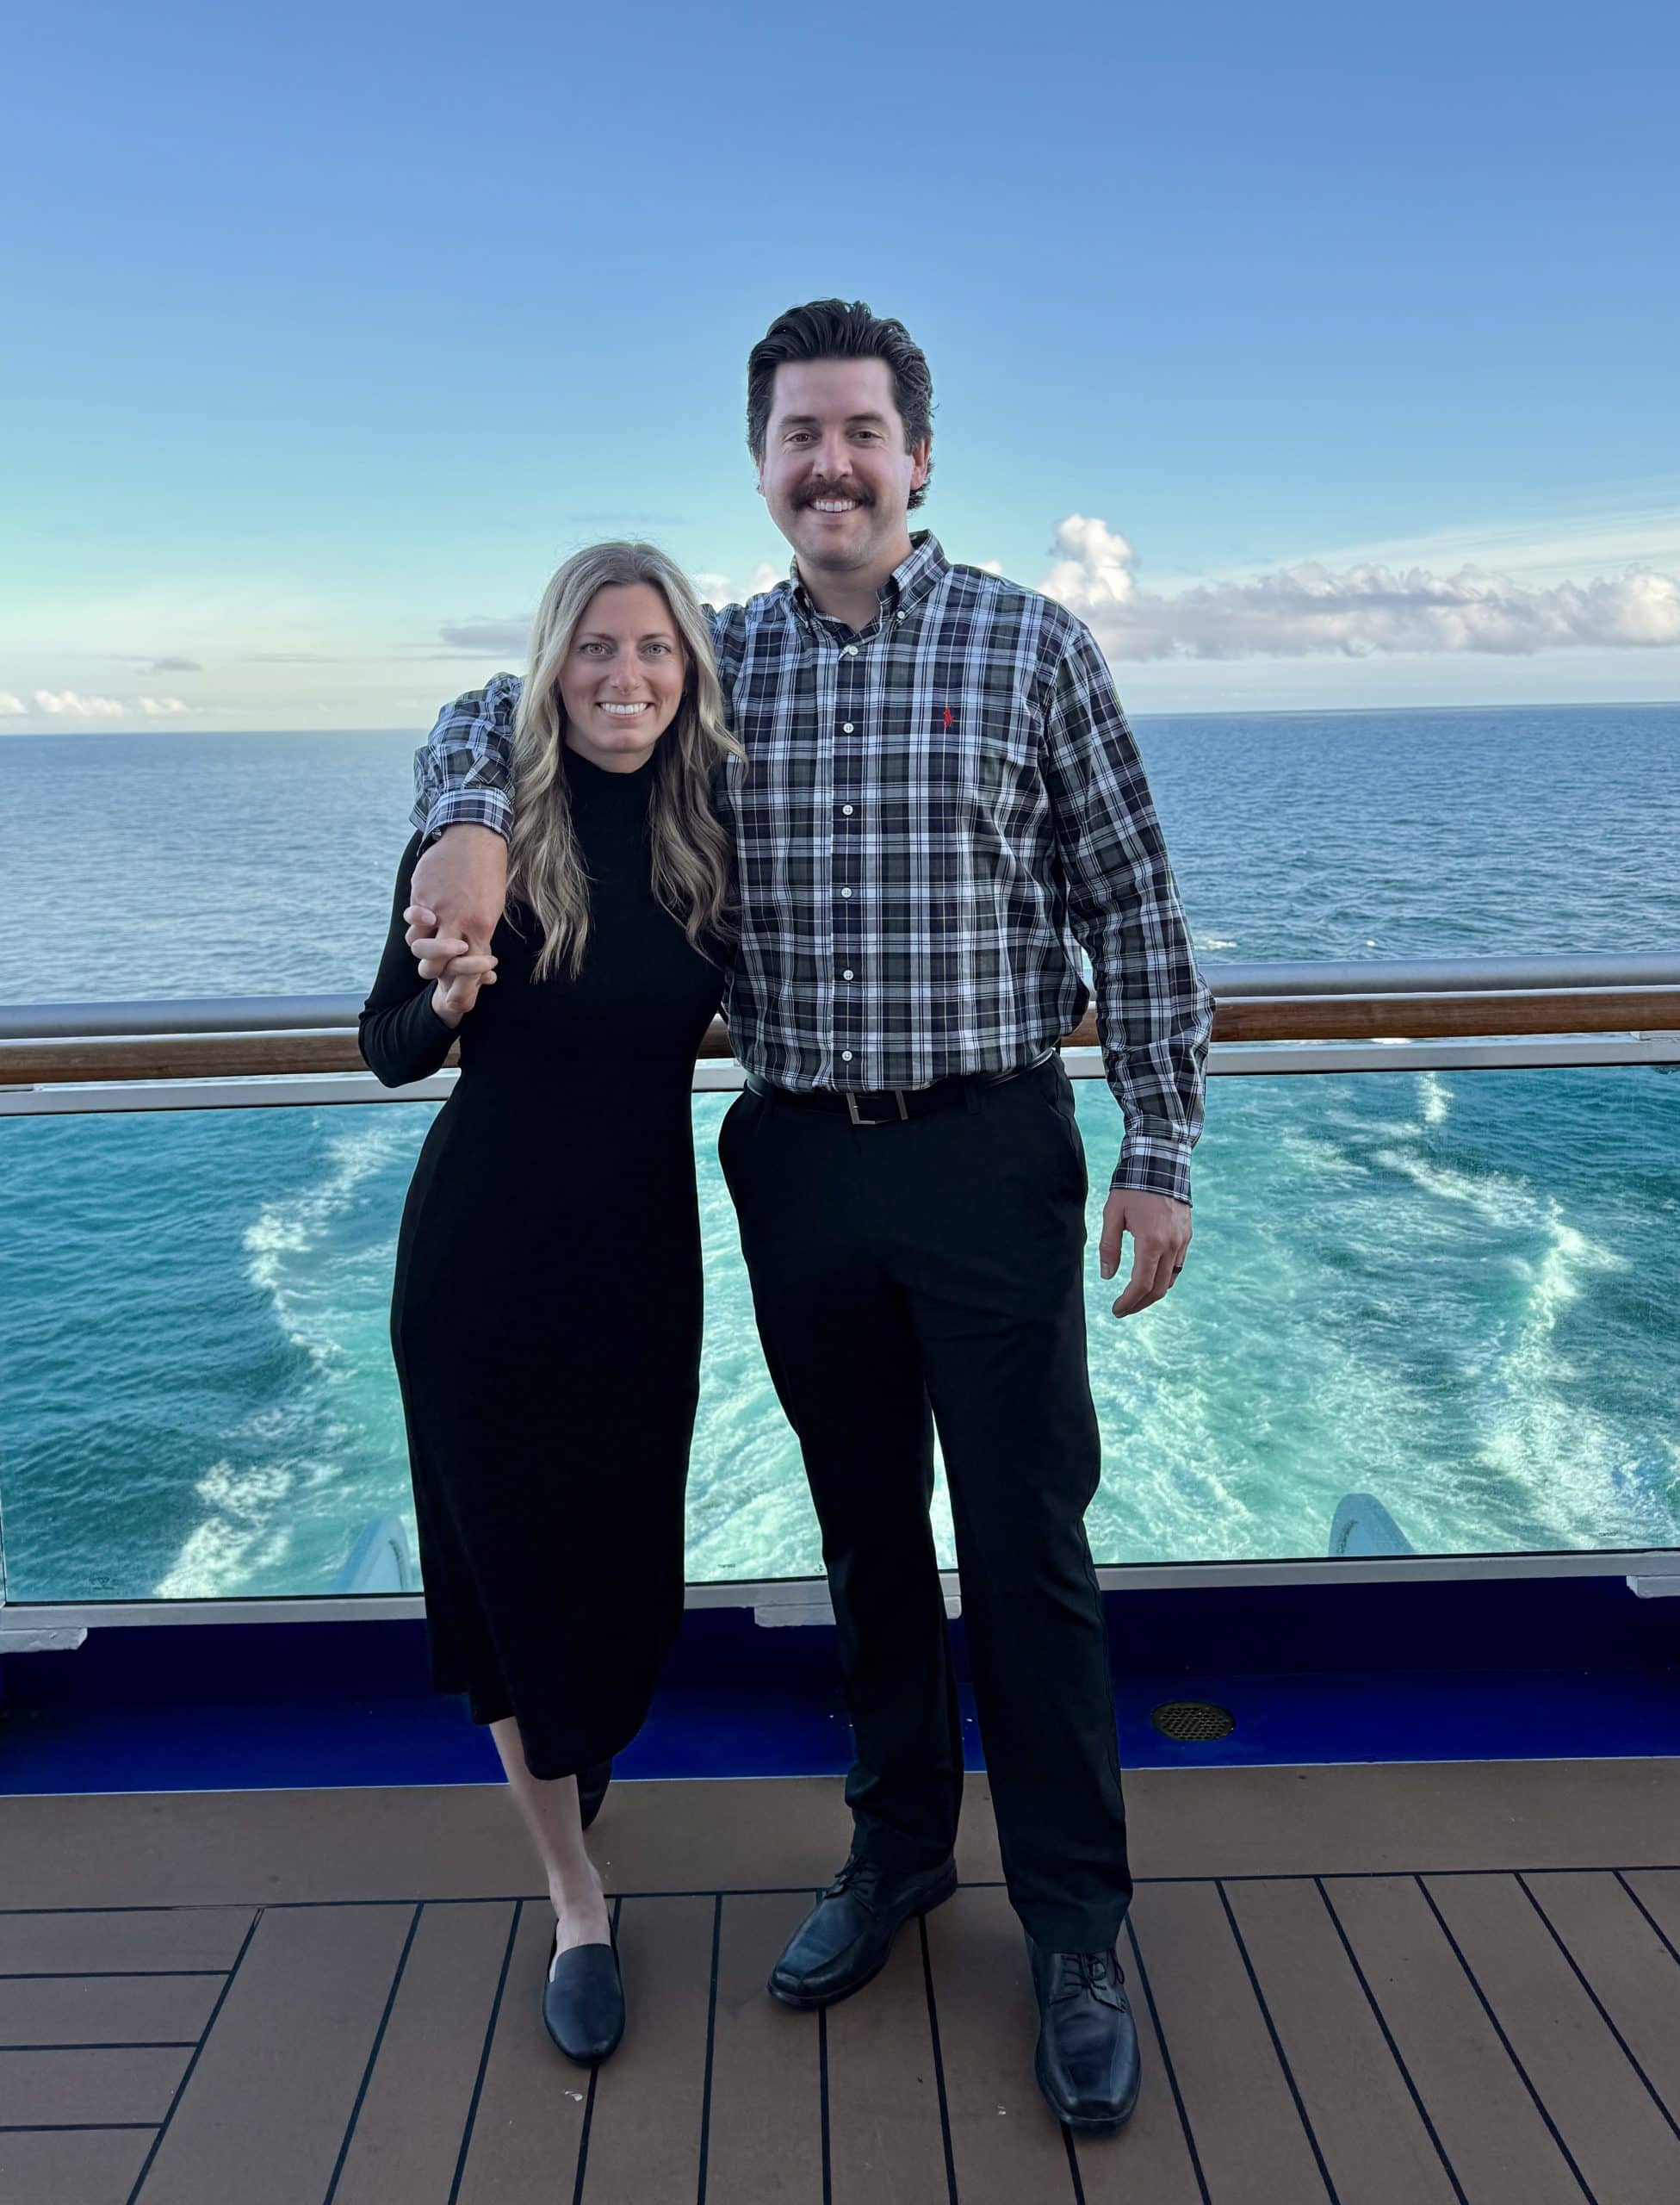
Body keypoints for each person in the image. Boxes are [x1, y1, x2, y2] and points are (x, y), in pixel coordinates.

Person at [405, 301, 1213, 2134]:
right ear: (761, 468)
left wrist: (1159, 1149)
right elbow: (502, 694)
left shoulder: (1030, 643)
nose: (831, 464)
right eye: (798, 437)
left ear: (919, 456)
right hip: (796, 1156)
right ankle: (899, 1846)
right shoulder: (721, 660)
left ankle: (1077, 1924)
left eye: (862, 432)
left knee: (1025, 1547)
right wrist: (461, 819)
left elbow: (1140, 918)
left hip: (991, 1150)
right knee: (863, 1532)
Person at [359, 541, 737, 2068]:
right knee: (511, 1588)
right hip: (482, 1270)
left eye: (652, 648)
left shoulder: (716, 822)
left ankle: (576, 1758)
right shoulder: (485, 827)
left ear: (687, 668)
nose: (624, 676)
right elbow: (381, 1041)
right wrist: (442, 1005)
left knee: (629, 1572)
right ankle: (575, 1900)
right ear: (551, 664)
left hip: (643, 1262)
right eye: (594, 648)